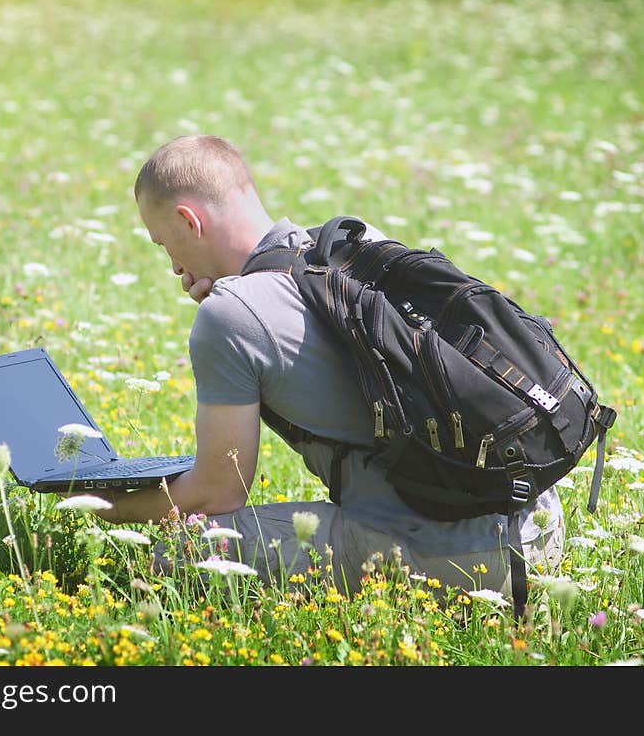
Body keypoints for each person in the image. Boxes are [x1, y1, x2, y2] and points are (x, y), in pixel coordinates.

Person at [81, 134, 565, 602]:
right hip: (538, 528)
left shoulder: (230, 314)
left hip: (462, 564)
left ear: (190, 221)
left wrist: (113, 506)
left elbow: (217, 493)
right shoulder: (355, 243)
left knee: (172, 554)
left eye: (165, 244)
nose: (172, 265)